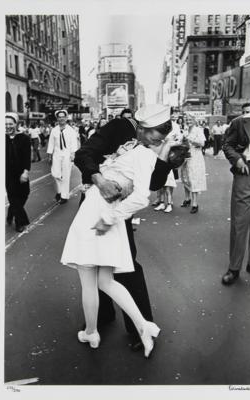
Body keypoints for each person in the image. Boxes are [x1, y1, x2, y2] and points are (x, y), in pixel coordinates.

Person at [61, 105, 177, 356]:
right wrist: (99, 180)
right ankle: (102, 318)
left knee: (124, 266)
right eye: (158, 133)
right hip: (98, 199)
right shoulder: (119, 127)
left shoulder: (150, 148)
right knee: (98, 269)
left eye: (165, 134)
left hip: (117, 210)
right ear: (143, 127)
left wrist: (166, 158)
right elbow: (84, 154)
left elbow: (152, 185)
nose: (161, 138)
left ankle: (136, 328)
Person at [221, 89, 250, 285]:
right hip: (246, 171)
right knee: (240, 223)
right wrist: (237, 160)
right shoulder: (241, 121)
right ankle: (234, 268)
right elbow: (227, 145)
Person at [5, 112, 31, 233]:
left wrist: (25, 172)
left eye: (10, 123)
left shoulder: (24, 138)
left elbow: (27, 157)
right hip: (7, 174)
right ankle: (19, 222)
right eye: (5, 124)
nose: (8, 126)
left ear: (16, 124)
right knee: (13, 196)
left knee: (25, 193)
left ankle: (11, 212)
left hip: (20, 172)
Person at [47, 110, 79, 204]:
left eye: (63, 117)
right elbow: (51, 143)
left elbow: (74, 143)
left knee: (65, 175)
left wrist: (73, 154)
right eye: (59, 117)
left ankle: (64, 196)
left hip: (67, 155)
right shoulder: (54, 130)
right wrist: (49, 156)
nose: (61, 118)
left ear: (66, 118)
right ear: (57, 119)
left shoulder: (71, 130)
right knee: (55, 174)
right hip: (56, 154)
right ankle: (59, 191)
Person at [180, 113, 207, 214]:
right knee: (185, 177)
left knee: (193, 178)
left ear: (194, 121)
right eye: (186, 120)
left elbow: (202, 143)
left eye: (190, 120)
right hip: (186, 156)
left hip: (195, 157)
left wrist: (190, 139)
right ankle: (187, 199)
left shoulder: (198, 130)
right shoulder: (186, 130)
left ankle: (195, 203)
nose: (188, 121)